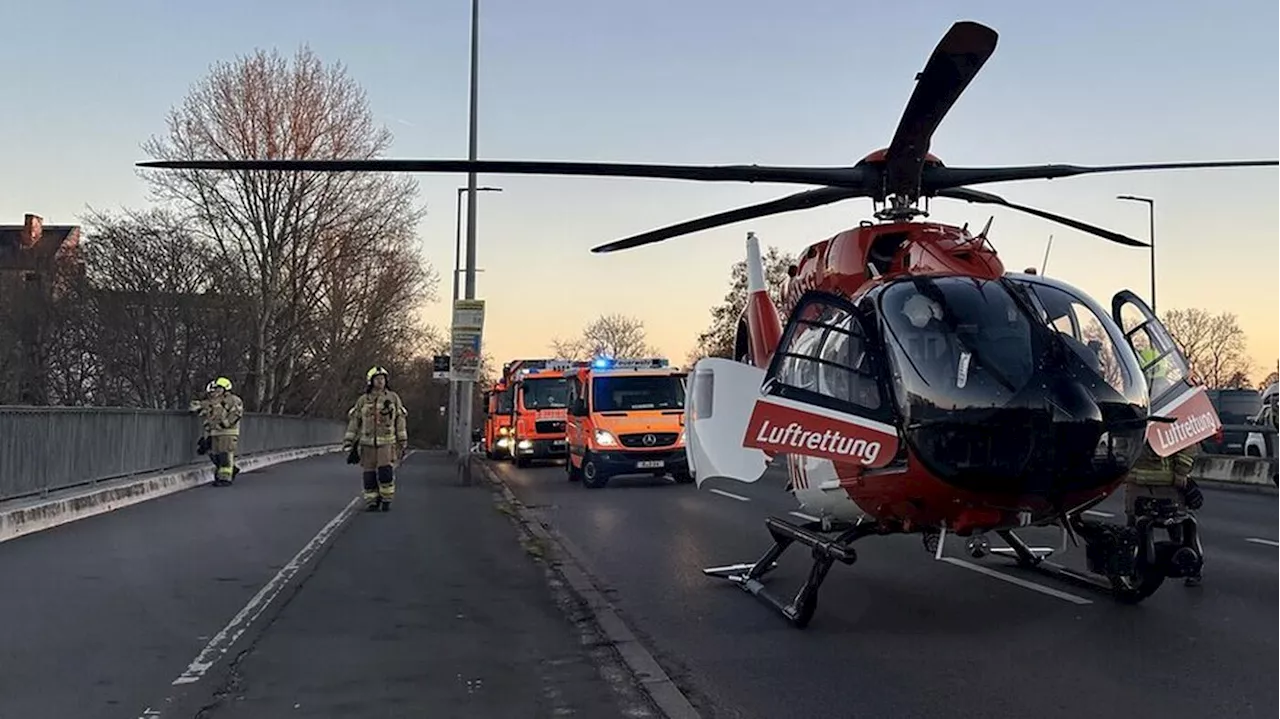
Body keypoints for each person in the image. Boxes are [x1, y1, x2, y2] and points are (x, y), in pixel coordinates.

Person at [1123, 437, 1205, 586]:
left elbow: (1187, 446)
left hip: (1164, 483)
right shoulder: (1137, 420)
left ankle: (1188, 565)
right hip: (1142, 482)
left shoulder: (1166, 421)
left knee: (1174, 526)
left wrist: (1180, 473)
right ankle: (1133, 568)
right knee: (1135, 529)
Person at [343, 366, 409, 512]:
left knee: (385, 472)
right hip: (367, 444)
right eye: (377, 379)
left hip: (387, 442)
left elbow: (400, 419)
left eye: (383, 379)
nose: (380, 382)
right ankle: (372, 501)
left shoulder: (392, 398)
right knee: (369, 475)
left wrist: (402, 439)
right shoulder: (363, 400)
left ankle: (386, 499)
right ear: (370, 381)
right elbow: (355, 421)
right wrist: (349, 440)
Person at [196, 377, 244, 487]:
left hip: (228, 432)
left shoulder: (234, 400)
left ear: (225, 389)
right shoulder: (216, 401)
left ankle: (225, 478)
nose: (216, 390)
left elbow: (236, 414)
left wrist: (223, 425)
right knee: (215, 454)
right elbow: (207, 409)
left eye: (219, 388)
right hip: (215, 432)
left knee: (225, 455)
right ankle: (226, 472)